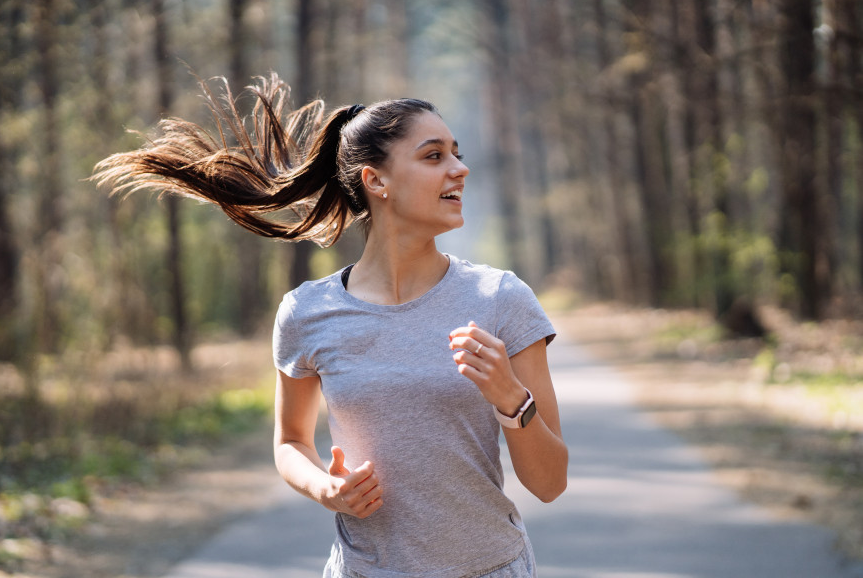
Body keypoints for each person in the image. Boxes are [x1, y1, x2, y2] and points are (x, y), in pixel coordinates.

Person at [94, 73, 569, 578]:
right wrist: (326, 489)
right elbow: (291, 442)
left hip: (491, 568)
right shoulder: (308, 312)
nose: (460, 169)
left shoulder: (500, 299)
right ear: (376, 180)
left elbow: (549, 483)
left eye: (457, 153)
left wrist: (510, 398)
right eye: (435, 157)